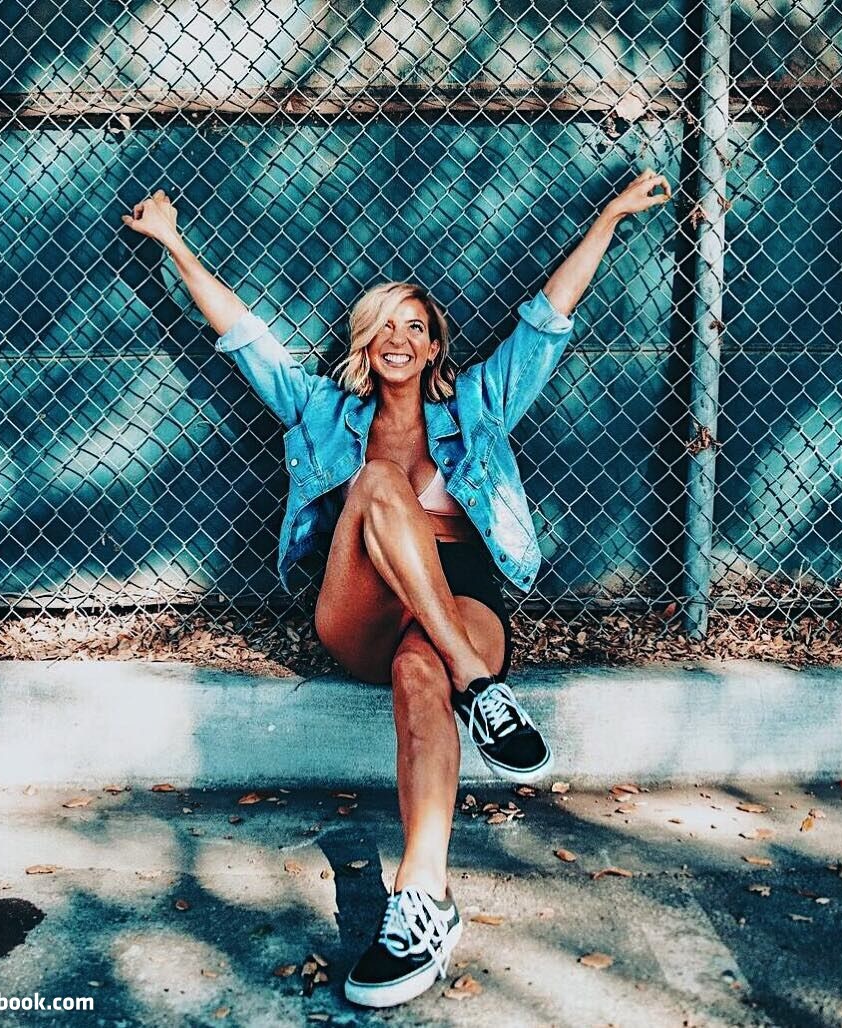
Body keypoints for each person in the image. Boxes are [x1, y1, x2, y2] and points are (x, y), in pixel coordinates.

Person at [122, 168, 671, 1008]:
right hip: (363, 604)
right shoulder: (321, 409)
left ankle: (422, 898)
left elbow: (547, 320)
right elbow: (244, 336)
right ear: (365, 342)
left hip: (462, 596)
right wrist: (172, 244)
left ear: (433, 345)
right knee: (378, 481)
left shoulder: (481, 401)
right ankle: (482, 691)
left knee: (422, 676)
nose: (400, 338)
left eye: (415, 325)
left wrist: (608, 219)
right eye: (385, 324)